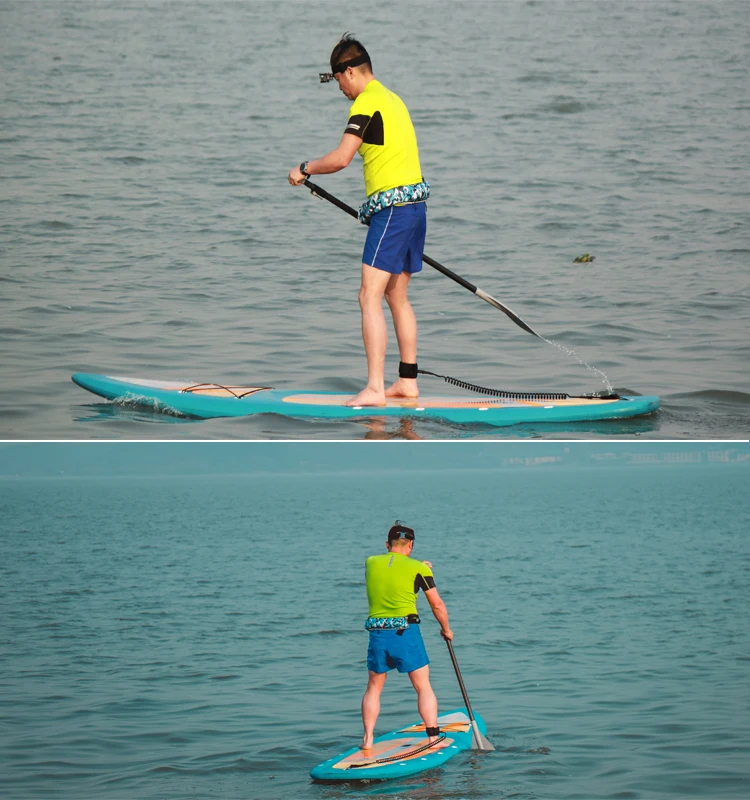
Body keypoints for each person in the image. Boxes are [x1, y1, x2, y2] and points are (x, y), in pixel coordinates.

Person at [288, 34, 430, 407]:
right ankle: (407, 382)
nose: (340, 89)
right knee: (396, 295)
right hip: (416, 209)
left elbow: (341, 158)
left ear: (349, 71)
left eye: (338, 80)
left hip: (393, 213)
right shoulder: (393, 99)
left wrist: (305, 169)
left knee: (368, 295)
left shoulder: (366, 103)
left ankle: (374, 389)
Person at [361, 520, 453, 751]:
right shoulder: (418, 569)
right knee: (423, 685)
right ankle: (433, 738)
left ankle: (368, 739)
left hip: (378, 633)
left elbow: (392, 571)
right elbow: (437, 605)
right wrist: (446, 629)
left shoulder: (371, 563)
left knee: (373, 687)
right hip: (405, 633)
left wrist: (417, 567)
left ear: (387, 544)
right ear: (410, 545)